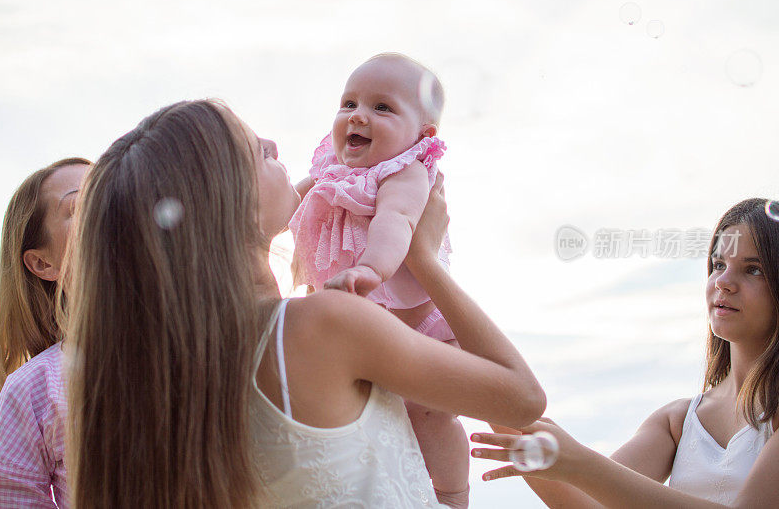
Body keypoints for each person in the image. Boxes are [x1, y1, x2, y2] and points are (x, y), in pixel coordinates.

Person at [66, 99, 546, 508]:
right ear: (228, 204)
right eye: (255, 152)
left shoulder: (159, 376)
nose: (274, 146)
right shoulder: (322, 325)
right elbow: (523, 398)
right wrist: (424, 261)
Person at [471, 198, 779, 508]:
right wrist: (481, 381)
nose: (723, 282)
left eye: (753, 270)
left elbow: (589, 472)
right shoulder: (677, 421)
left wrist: (580, 463)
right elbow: (587, 502)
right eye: (719, 265)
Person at [288, 53, 468, 504]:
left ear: (422, 135)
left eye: (382, 108)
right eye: (348, 103)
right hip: (369, 337)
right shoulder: (330, 167)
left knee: (430, 415)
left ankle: (451, 496)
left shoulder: (406, 171)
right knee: (374, 423)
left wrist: (369, 268)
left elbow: (396, 222)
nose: (358, 116)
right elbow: (292, 199)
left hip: (422, 333)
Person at [0, 158, 91, 507]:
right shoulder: (33, 389)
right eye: (79, 205)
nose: (106, 208)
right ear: (43, 263)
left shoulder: (210, 335)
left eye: (108, 192)